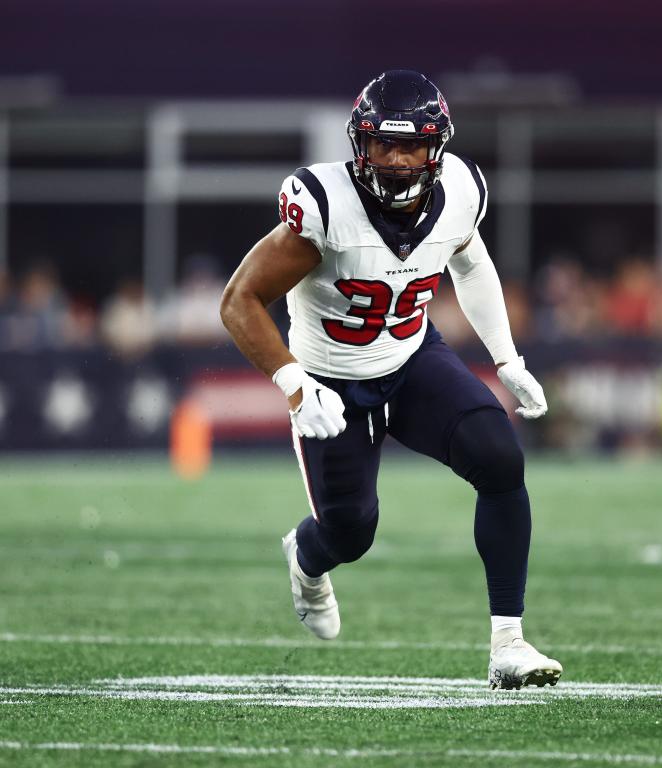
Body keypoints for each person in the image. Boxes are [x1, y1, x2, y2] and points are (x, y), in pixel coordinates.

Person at [220, 70, 562, 690]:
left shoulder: (459, 189)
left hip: (409, 357)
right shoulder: (326, 206)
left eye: (411, 146)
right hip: (331, 379)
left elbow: (471, 260)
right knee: (350, 532)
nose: (398, 161)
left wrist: (507, 358)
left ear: (438, 148)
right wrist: (295, 383)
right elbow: (239, 300)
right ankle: (306, 557)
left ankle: (508, 643)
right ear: (360, 145)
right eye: (383, 145)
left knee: (500, 456)